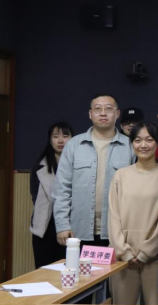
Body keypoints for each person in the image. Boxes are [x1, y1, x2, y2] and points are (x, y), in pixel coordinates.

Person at [108, 122, 158, 305]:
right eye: (138, 140)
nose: (143, 145)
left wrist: (146, 252)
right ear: (131, 143)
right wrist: (124, 251)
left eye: (149, 140)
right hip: (123, 259)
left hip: (155, 257)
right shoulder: (121, 175)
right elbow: (113, 216)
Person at [53, 94, 135, 247]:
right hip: (78, 231)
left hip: (118, 231)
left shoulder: (130, 146)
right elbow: (62, 189)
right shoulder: (74, 145)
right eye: (97, 109)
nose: (103, 113)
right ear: (90, 114)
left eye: (108, 109)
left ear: (117, 113)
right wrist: (62, 225)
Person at [30, 122, 74, 268]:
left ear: (73, 139)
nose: (60, 141)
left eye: (65, 136)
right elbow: (35, 196)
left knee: (70, 270)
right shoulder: (39, 166)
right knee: (44, 271)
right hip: (45, 226)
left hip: (71, 226)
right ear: (50, 140)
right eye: (55, 136)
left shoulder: (80, 164)